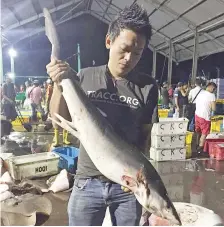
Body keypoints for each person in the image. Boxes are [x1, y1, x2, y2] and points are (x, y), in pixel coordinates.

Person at [46, 3, 158, 226]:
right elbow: (57, 119)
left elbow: (145, 137)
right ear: (109, 41)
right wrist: (59, 84)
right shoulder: (84, 76)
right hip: (87, 181)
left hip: (125, 186)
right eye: (124, 49)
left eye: (137, 53)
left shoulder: (147, 86)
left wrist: (139, 179)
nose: (129, 58)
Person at [195, 82, 217, 155]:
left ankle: (196, 145)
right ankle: (200, 149)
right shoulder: (212, 95)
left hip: (197, 114)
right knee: (204, 133)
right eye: (213, 89)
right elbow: (213, 108)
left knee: (198, 131)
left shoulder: (200, 92)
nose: (214, 90)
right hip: (205, 117)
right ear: (210, 87)